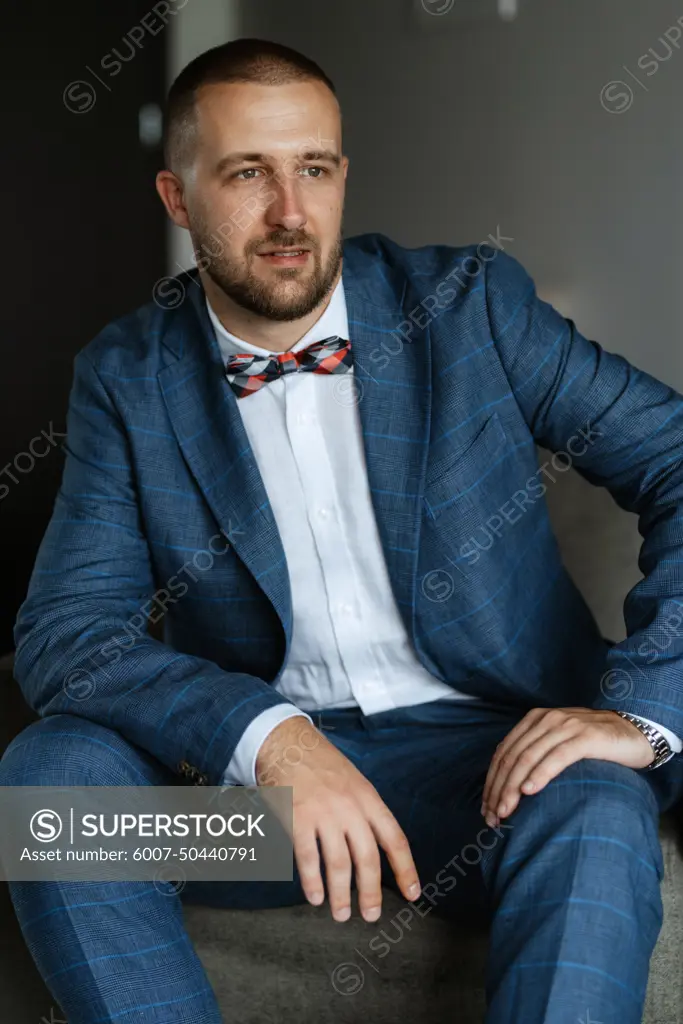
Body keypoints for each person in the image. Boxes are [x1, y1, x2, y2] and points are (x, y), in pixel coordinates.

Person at [2, 35, 683, 1024]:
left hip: (492, 785)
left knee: (591, 799)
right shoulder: (127, 374)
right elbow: (66, 630)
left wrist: (638, 709)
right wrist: (267, 739)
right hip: (272, 819)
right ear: (176, 198)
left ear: (341, 175)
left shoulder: (468, 307)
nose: (289, 213)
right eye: (247, 173)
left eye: (312, 169)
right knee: (48, 787)